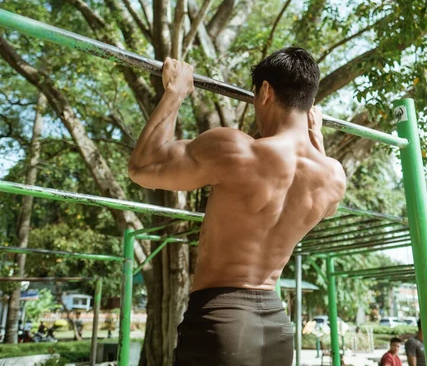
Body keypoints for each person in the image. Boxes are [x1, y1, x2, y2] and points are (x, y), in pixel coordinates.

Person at [128, 47, 347, 366]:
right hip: (276, 331)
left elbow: (143, 167)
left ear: (266, 91)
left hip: (222, 323)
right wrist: (317, 140)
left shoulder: (238, 151)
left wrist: (175, 92)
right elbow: (329, 210)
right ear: (309, 102)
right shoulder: (332, 175)